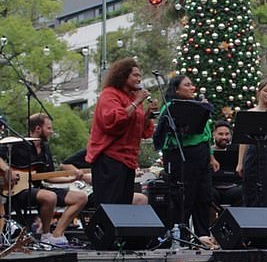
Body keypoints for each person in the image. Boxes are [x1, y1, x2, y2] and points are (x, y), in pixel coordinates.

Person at [0, 113, 87, 246]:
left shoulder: (45, 149)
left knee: (81, 198)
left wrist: (72, 179)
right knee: (50, 196)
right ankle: (45, 235)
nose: (51, 132)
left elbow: (49, 177)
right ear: (38, 129)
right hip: (17, 190)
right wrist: (7, 170)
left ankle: (57, 235)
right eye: (49, 128)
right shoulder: (18, 144)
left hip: (38, 188)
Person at [86, 58, 157, 207]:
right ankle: (107, 230)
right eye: (135, 75)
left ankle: (120, 231)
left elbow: (140, 131)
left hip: (128, 159)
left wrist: (148, 115)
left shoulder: (132, 97)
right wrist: (137, 102)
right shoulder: (109, 94)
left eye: (140, 76)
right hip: (110, 157)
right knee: (110, 203)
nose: (139, 79)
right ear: (123, 75)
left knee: (124, 203)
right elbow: (113, 121)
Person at [152, 74, 214, 238]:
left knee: (204, 196)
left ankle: (203, 236)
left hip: (201, 154)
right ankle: (183, 236)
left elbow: (206, 134)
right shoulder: (171, 106)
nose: (192, 87)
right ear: (176, 90)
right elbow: (164, 132)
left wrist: (211, 156)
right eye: (187, 85)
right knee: (185, 196)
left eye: (192, 84)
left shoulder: (199, 106)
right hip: (183, 154)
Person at [237, 78, 267, 210]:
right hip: (253, 153)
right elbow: (243, 140)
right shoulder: (251, 113)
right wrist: (240, 162)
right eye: (265, 90)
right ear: (258, 92)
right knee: (251, 189)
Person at [60, 148, 148, 207]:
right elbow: (64, 165)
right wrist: (83, 176)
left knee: (140, 199)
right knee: (140, 199)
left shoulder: (122, 156)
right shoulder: (95, 151)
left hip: (110, 192)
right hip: (92, 193)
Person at [210, 119, 242, 211]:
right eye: (220, 134)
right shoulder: (208, 152)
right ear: (214, 135)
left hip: (233, 188)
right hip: (213, 188)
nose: (224, 137)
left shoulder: (238, 152)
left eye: (227, 134)